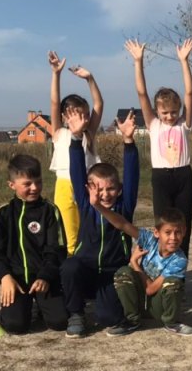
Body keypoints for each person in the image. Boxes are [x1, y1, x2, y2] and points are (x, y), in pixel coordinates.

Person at [59, 109, 139, 338]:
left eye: (111, 188)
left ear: (119, 189)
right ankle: (76, 313)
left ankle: (119, 305)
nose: (105, 194)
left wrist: (129, 142)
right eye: (99, 189)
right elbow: (76, 171)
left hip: (111, 272)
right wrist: (76, 138)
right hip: (86, 269)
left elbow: (132, 176)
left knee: (108, 319)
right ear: (88, 189)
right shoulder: (86, 204)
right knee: (69, 266)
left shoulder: (124, 206)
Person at [127, 37, 192, 257]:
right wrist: (138, 61)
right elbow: (142, 93)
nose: (169, 116)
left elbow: (190, 92)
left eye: (173, 112)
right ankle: (163, 264)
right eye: (165, 113)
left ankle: (180, 265)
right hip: (161, 178)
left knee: (183, 223)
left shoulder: (184, 124)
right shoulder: (154, 124)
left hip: (183, 176)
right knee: (163, 224)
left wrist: (184, 61)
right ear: (157, 112)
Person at [0, 154, 68, 334]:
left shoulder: (50, 211)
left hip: (44, 279)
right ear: (12, 185)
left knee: (60, 321)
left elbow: (57, 250)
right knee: (15, 326)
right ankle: (14, 310)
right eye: (27, 184)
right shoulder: (3, 213)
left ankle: (42, 306)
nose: (34, 188)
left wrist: (45, 276)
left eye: (38, 182)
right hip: (15, 280)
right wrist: (5, 277)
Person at [88, 204, 190, 337]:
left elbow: (150, 290)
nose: (173, 238)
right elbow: (123, 224)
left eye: (178, 232)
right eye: (168, 232)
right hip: (139, 300)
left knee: (173, 283)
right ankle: (132, 320)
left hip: (158, 307)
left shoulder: (179, 260)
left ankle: (171, 322)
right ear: (156, 233)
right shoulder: (150, 240)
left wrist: (134, 263)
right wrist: (98, 206)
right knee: (123, 273)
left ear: (184, 232)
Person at [47, 51, 102, 255]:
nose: (84, 120)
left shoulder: (89, 133)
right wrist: (56, 74)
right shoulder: (59, 132)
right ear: (65, 116)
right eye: (78, 115)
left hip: (87, 185)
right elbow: (54, 103)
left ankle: (91, 261)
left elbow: (99, 104)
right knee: (69, 235)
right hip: (64, 186)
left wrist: (90, 79)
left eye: (86, 115)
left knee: (89, 229)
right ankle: (72, 262)